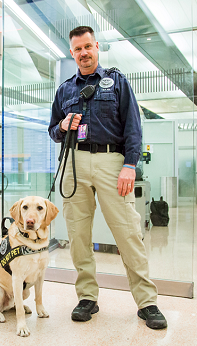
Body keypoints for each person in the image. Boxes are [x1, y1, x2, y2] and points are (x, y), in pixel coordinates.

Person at [48, 26, 167, 330]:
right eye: (78, 49)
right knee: (78, 234)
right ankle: (87, 297)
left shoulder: (117, 82)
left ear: (97, 47)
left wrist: (130, 165)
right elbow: (53, 132)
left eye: (88, 46)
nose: (84, 53)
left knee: (127, 231)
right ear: (72, 53)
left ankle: (147, 301)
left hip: (112, 162)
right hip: (74, 162)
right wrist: (62, 125)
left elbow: (133, 128)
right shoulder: (64, 90)